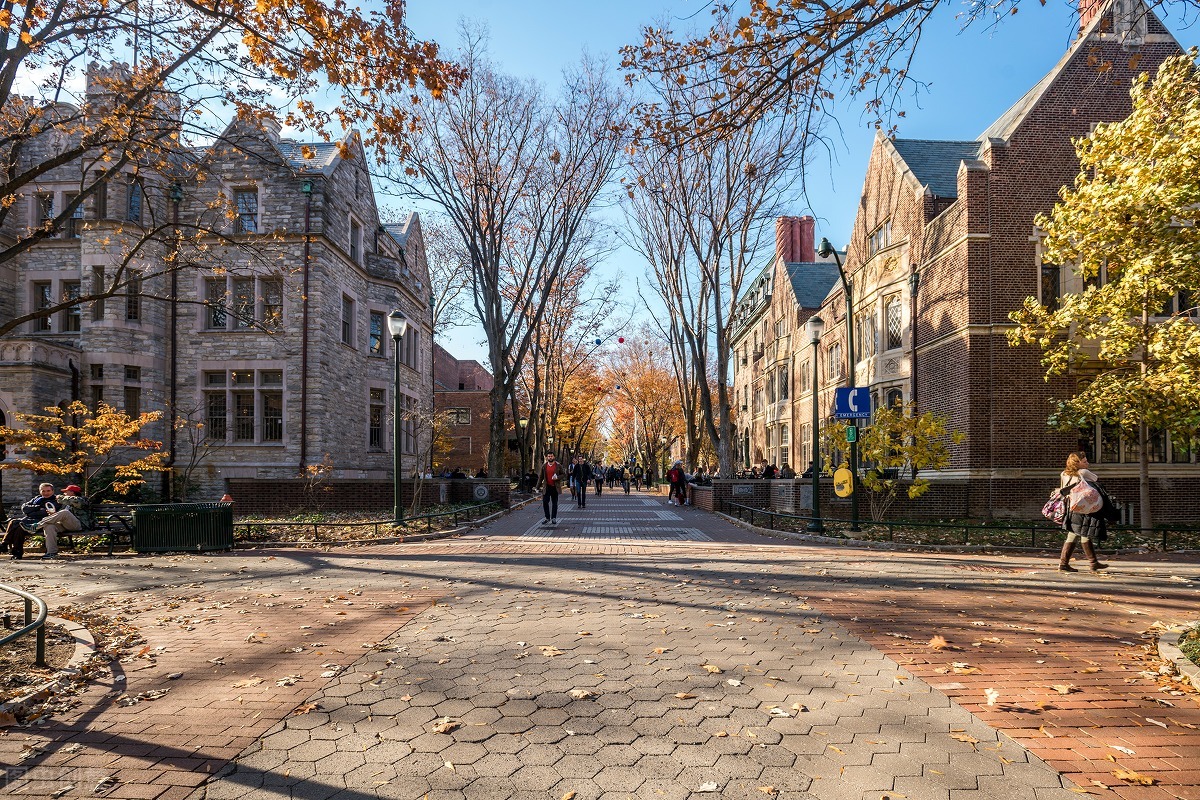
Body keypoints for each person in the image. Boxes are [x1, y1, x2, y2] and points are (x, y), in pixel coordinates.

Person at [1058, 451, 1112, 572]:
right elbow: (1096, 478)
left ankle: (1064, 563)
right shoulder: (1084, 472)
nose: (1087, 463)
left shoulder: (1063, 474)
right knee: (1085, 532)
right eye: (1084, 461)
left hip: (1072, 507)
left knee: (1074, 532)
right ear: (1077, 463)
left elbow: (1063, 489)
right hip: (1084, 507)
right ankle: (1093, 563)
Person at [1, 483, 59, 560]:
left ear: (52, 491)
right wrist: (38, 507)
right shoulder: (37, 498)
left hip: (41, 524)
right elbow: (24, 508)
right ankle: (17, 554)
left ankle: (4, 544)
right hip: (28, 522)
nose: (46, 493)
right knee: (19, 529)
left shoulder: (56, 500)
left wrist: (32, 511)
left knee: (14, 522)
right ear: (40, 491)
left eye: (48, 491)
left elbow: (44, 513)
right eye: (43, 491)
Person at [38, 485, 86, 559]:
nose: (64, 494)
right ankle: (51, 552)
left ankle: (37, 525)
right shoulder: (65, 504)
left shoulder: (82, 500)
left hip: (79, 525)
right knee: (49, 526)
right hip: (65, 525)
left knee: (65, 512)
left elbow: (75, 503)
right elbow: (61, 515)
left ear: (72, 492)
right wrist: (54, 514)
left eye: (66, 492)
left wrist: (59, 497)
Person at [537, 453, 562, 525]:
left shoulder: (558, 465)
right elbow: (541, 477)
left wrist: (557, 477)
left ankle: (554, 518)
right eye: (549, 456)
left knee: (554, 503)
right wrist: (537, 487)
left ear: (554, 457)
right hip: (547, 487)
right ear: (547, 457)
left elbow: (563, 474)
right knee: (545, 502)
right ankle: (547, 517)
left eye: (551, 456)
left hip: (555, 487)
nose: (550, 457)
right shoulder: (544, 466)